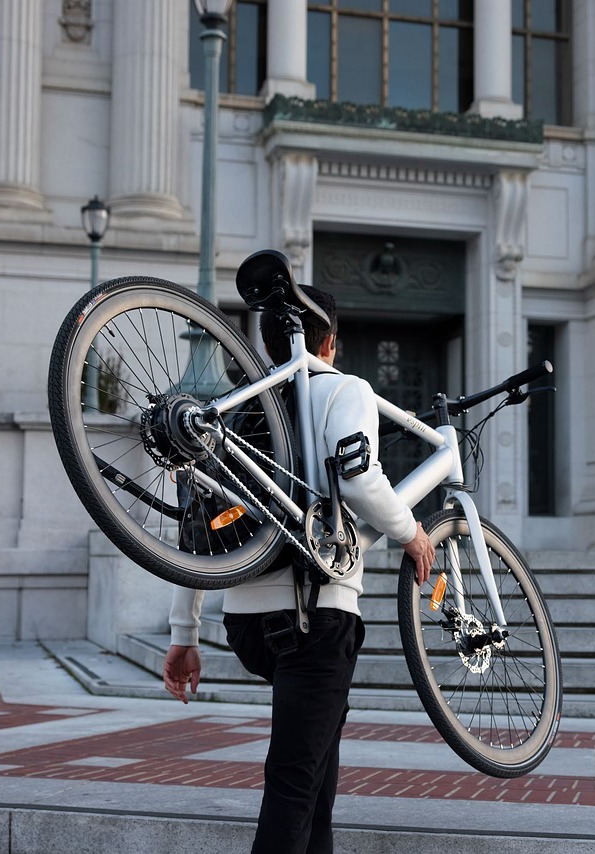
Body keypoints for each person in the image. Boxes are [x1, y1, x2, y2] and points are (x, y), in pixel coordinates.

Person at [163, 277, 434, 854]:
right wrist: (411, 533)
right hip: (316, 619)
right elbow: (358, 478)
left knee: (315, 791)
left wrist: (185, 632)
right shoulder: (344, 388)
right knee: (293, 788)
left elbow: (197, 523)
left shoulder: (241, 406)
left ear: (267, 344)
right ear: (329, 342)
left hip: (246, 625)